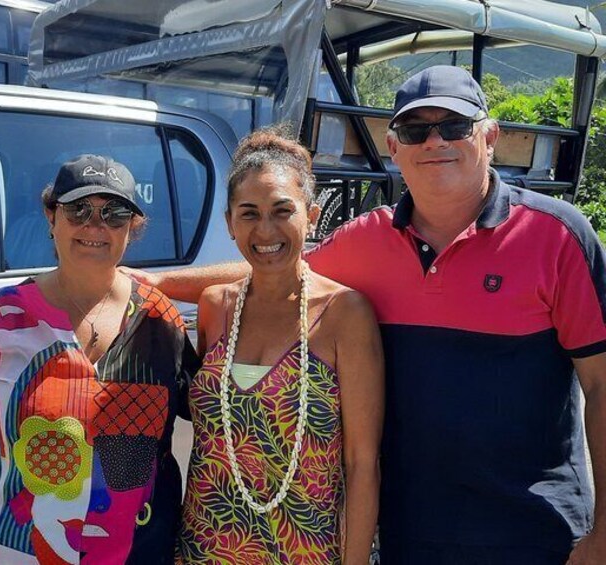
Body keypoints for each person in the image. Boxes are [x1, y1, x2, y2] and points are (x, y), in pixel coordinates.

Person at [135, 66, 606, 564]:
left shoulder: (556, 236)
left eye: (454, 126)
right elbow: (275, 266)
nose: (434, 141)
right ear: (393, 146)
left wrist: (604, 533)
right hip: (410, 531)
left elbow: (600, 386)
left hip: (531, 533)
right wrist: (154, 283)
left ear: (489, 137)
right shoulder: (368, 240)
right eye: (415, 130)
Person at [0, 154, 198, 564]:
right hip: (3, 550)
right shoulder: (2, 316)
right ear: (51, 217)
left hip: (131, 553)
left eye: (114, 214)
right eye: (78, 210)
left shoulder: (160, 319)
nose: (94, 225)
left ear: (131, 228)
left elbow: (216, 418)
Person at [176, 129, 383, 564]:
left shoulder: (345, 314)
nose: (265, 229)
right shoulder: (216, 307)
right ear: (230, 222)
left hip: (304, 550)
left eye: (282, 211)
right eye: (249, 213)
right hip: (206, 546)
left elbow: (362, 464)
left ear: (312, 216)